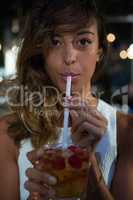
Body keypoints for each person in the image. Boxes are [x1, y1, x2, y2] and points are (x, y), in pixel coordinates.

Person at [0, 0, 133, 200]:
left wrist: (88, 165)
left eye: (83, 41)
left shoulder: (125, 131)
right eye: (55, 41)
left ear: (99, 51)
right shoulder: (8, 132)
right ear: (41, 51)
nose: (69, 57)